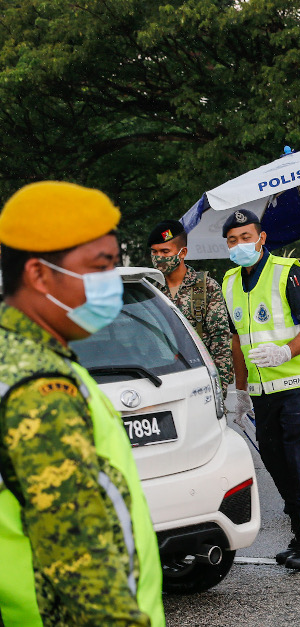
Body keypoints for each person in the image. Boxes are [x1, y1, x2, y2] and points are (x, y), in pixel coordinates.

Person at [0, 181, 165, 626]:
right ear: (38, 275)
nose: (110, 282)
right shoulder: (38, 388)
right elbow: (79, 556)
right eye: (100, 267)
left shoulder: (17, 357)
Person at [221, 209, 300, 572]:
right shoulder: (230, 282)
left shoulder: (288, 271)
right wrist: (239, 391)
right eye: (233, 240)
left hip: (298, 385)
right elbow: (237, 340)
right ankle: (299, 535)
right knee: (275, 462)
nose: (240, 245)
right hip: (261, 392)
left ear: (261, 238)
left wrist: (286, 351)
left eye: (246, 237)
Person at [147, 219, 234, 396]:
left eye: (165, 251)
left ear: (182, 252)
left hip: (199, 380)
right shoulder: (149, 290)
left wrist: (220, 388)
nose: (158, 257)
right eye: (154, 252)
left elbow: (220, 341)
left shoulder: (206, 287)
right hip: (161, 380)